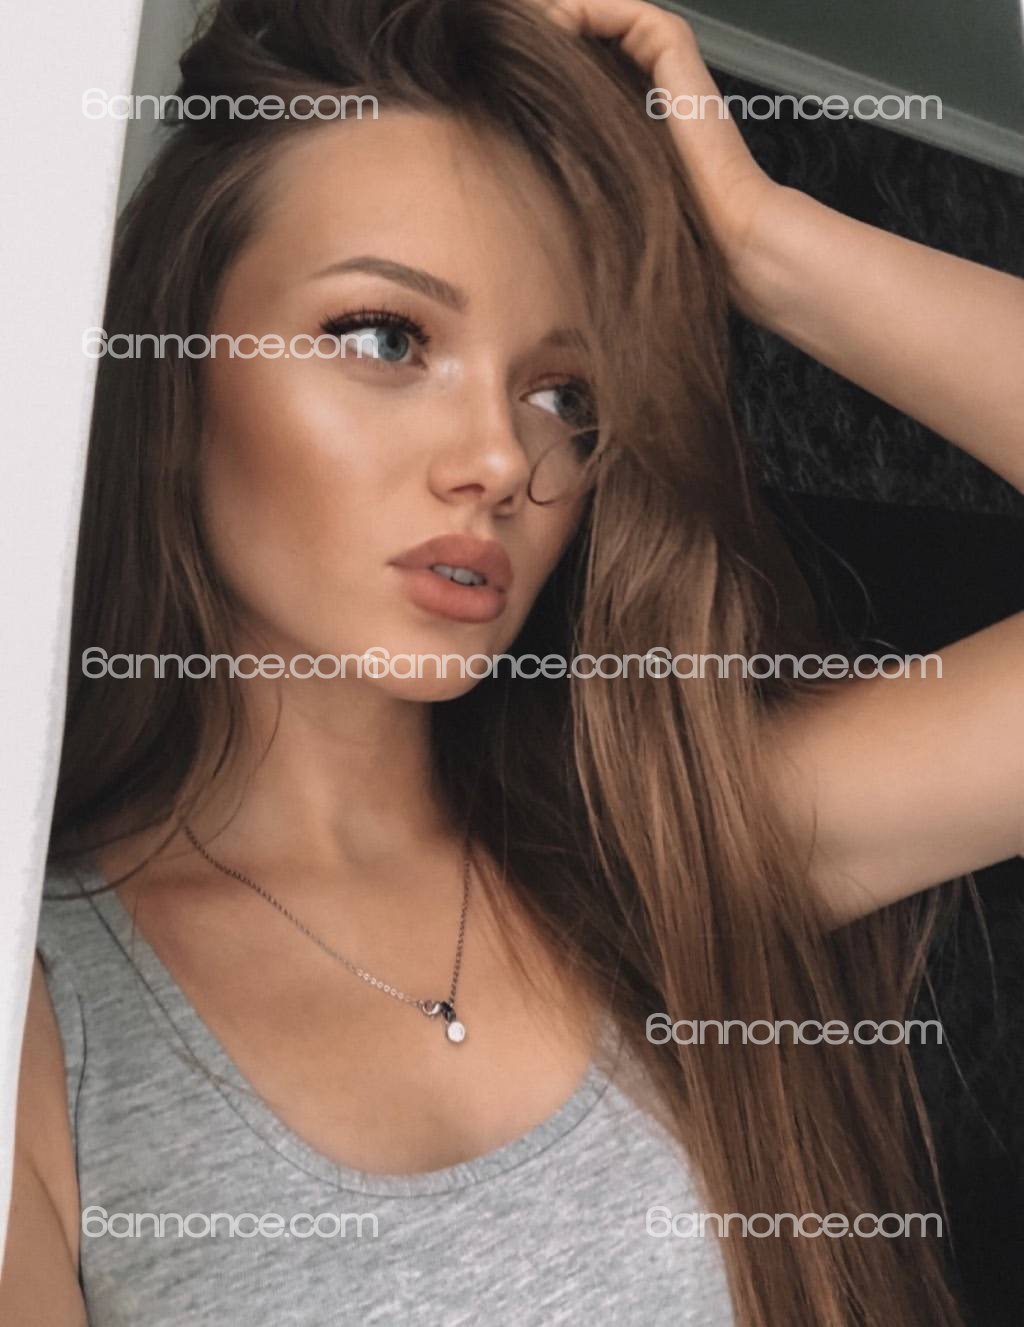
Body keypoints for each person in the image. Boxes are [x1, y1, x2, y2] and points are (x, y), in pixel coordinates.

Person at [3, 1, 1021, 1323]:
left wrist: (766, 246)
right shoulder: (47, 1016)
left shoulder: (659, 856)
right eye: (385, 338)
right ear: (178, 364)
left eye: (563, 396)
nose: (500, 459)